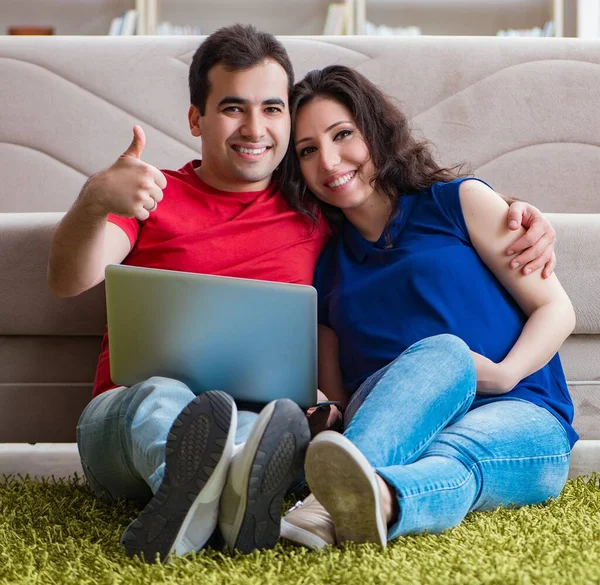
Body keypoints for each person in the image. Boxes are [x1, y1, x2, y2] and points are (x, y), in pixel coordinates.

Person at [47, 26, 558, 561]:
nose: (254, 127)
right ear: (197, 118)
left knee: (259, 427)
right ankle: (208, 492)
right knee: (162, 397)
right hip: (125, 423)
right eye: (232, 108)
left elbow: (402, 211)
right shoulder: (153, 194)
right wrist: (95, 198)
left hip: (248, 424)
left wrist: (520, 215)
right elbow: (69, 279)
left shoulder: (312, 212)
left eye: (271, 108)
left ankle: (215, 504)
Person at [279, 65, 577, 549]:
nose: (329, 162)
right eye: (307, 151)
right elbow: (335, 400)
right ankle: (362, 497)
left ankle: (342, 502)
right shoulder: (325, 265)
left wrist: (502, 374)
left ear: (374, 130)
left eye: (343, 135)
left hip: (522, 415)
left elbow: (556, 308)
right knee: (443, 396)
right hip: (400, 434)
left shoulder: (457, 203)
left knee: (453, 403)